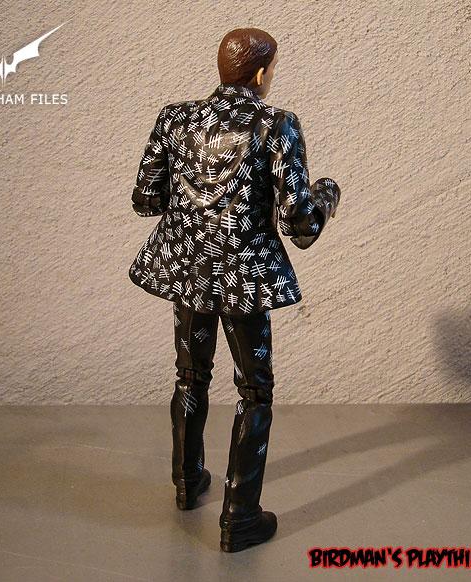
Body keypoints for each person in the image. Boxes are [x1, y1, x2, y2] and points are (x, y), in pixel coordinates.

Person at [128, 27, 341, 552]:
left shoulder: (175, 118)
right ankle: (240, 516)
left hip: (187, 270)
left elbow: (145, 201)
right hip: (244, 277)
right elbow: (300, 226)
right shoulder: (275, 124)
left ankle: (187, 482)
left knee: (190, 375)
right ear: (262, 74)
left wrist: (193, 206)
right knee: (254, 390)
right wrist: (327, 194)